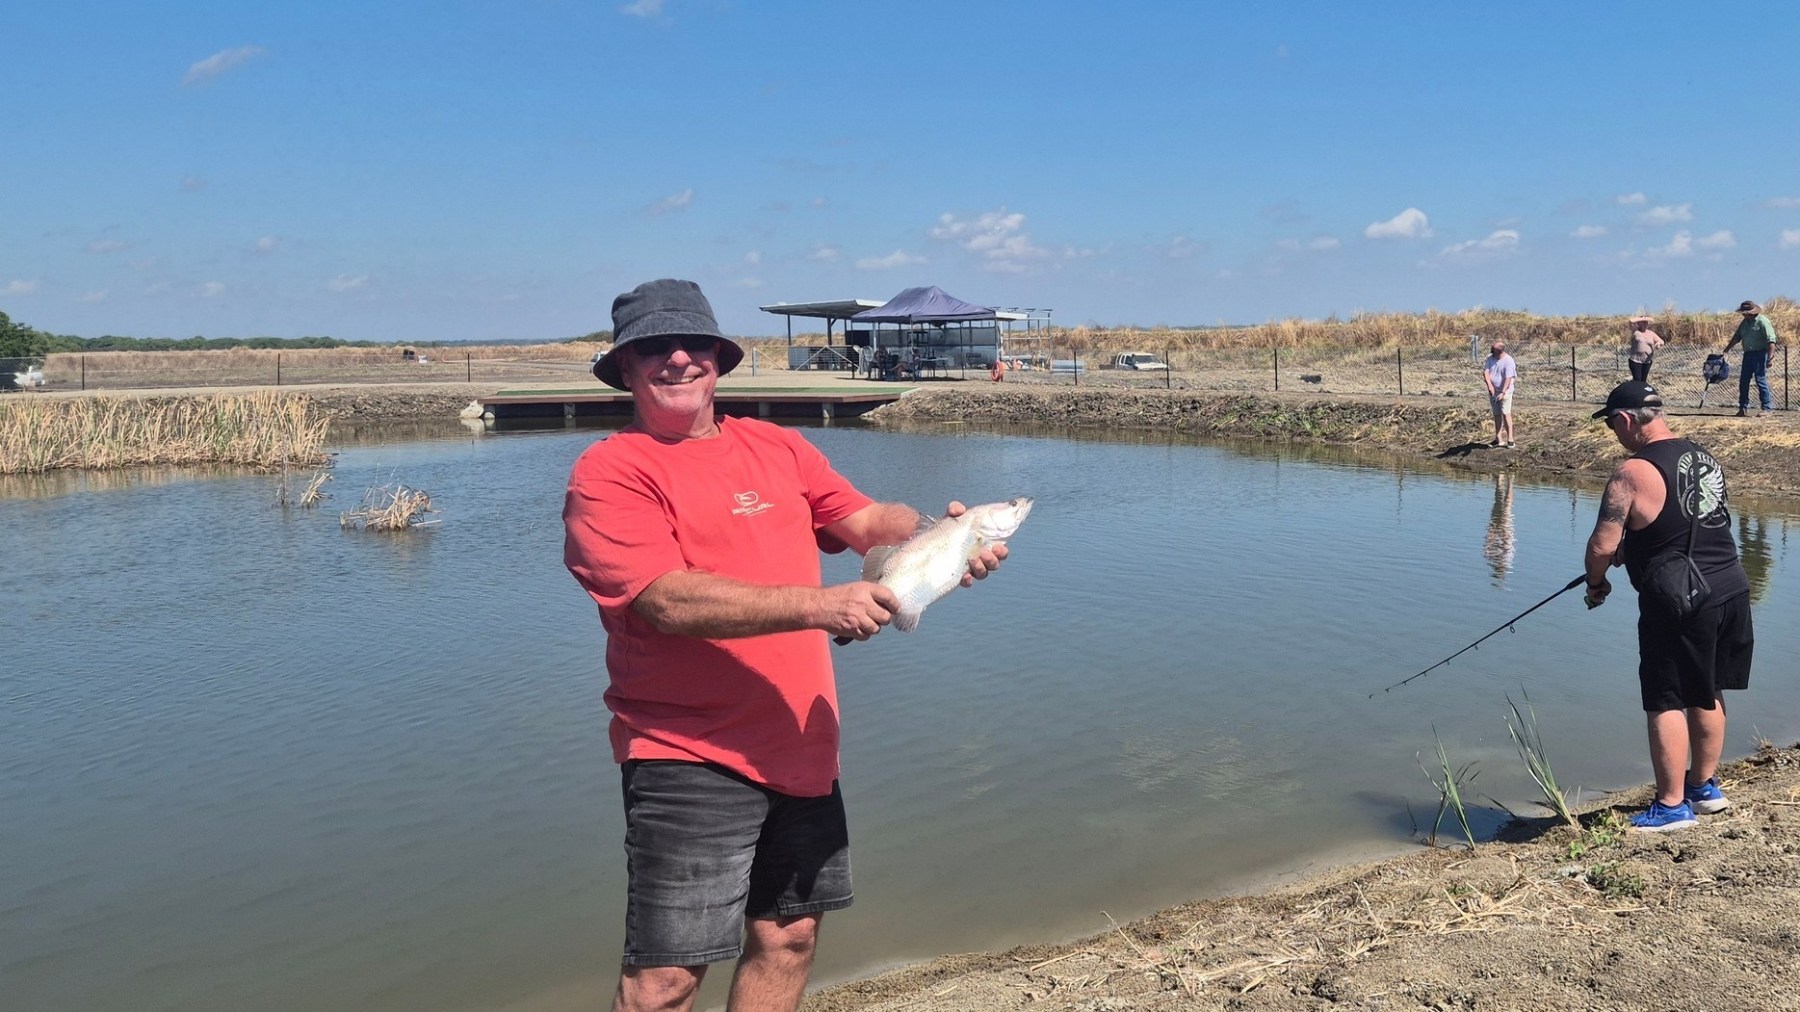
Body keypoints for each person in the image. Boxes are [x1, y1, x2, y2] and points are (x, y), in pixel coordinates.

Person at [562, 278, 1008, 1012]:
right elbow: (665, 600)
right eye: (653, 348)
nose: (677, 358)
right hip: (685, 752)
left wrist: (945, 535)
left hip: (802, 742)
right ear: (627, 367)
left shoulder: (776, 447)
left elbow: (865, 520)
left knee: (790, 937)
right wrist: (821, 606)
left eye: (693, 343)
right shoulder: (611, 472)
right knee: (665, 980)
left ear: (719, 357)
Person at [1582, 379, 1754, 832]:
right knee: (1708, 687)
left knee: (1666, 697)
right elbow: (1690, 519)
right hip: (1731, 586)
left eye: (1613, 427)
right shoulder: (1702, 454)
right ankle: (1704, 788)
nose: (1615, 437)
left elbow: (1601, 545)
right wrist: (1636, 546)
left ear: (1624, 420)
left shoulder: (1631, 472)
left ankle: (1672, 805)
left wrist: (1596, 585)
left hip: (1681, 600)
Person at [1722, 299, 1778, 416]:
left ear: (1751, 312)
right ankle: (1743, 408)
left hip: (1760, 354)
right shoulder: (1744, 323)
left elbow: (1771, 341)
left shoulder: (1763, 322)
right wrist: (1727, 349)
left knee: (1760, 380)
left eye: (1745, 312)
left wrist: (1770, 358)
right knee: (1744, 381)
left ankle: (1767, 408)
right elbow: (1737, 337)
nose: (1743, 314)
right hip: (1748, 354)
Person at [1481, 340, 1517, 447]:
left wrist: (1503, 392)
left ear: (1499, 350)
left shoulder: (1508, 361)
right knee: (1496, 414)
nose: (1491, 350)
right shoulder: (1490, 358)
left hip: (1505, 392)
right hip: (1493, 392)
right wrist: (1490, 386)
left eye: (1493, 348)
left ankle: (1510, 439)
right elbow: (1486, 372)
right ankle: (1498, 439)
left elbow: (1508, 378)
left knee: (1506, 414)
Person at [1626, 315, 1664, 383]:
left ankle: (1642, 392)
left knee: (1643, 380)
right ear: (1639, 323)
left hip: (1647, 361)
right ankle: (1636, 392)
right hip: (1635, 361)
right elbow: (1631, 321)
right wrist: (1640, 318)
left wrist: (1658, 344)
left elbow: (1661, 341)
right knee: (1637, 380)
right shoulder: (1636, 331)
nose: (1645, 324)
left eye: (1646, 322)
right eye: (1643, 322)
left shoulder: (1651, 333)